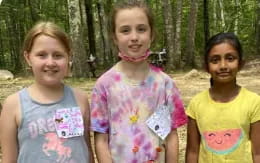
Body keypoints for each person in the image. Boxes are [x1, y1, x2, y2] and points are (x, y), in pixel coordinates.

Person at [90, 1, 187, 163]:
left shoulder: (164, 85)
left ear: (152, 34)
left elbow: (170, 136)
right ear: (114, 37)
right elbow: (101, 140)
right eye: (125, 30)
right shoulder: (104, 85)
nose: (134, 37)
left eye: (141, 29)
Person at [0, 21, 94, 163]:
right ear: (28, 58)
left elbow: (86, 151)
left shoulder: (80, 99)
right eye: (42, 55)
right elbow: (9, 159)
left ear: (69, 57)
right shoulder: (13, 105)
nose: (50, 62)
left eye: (57, 55)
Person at [185, 32, 260, 163]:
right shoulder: (196, 104)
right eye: (215, 60)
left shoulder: (254, 102)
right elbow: (192, 151)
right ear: (206, 67)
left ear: (241, 63)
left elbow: (258, 153)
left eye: (230, 58)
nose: (223, 66)